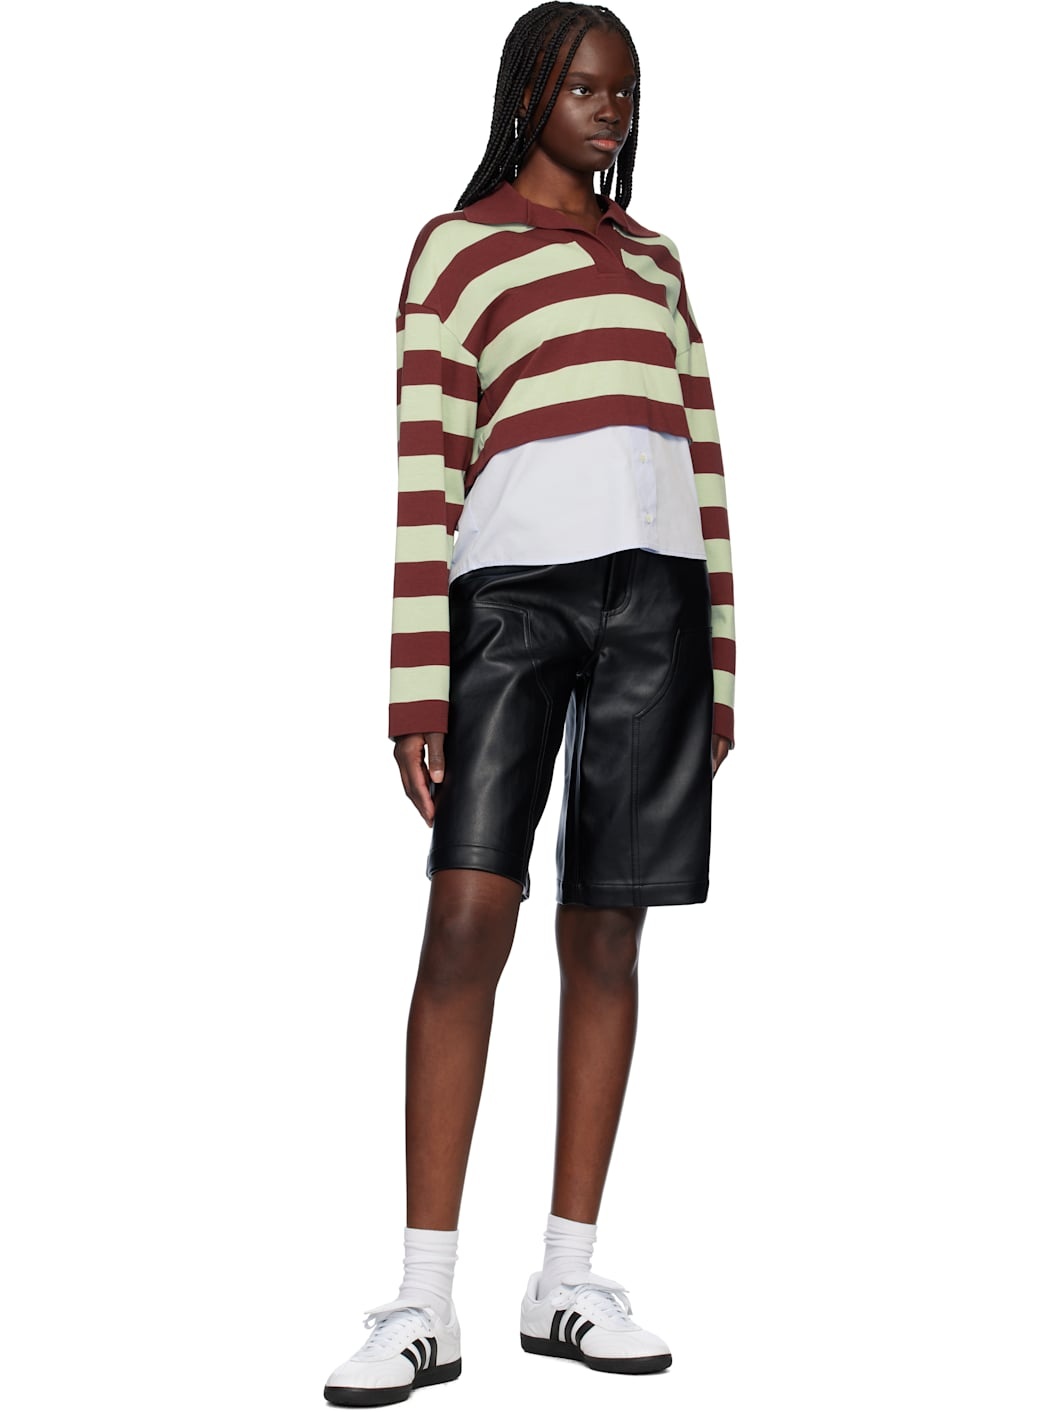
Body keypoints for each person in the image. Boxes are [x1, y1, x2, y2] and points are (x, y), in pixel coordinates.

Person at [324, 2, 737, 1403]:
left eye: (624, 92)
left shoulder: (657, 261)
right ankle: (422, 1298)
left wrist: (719, 658)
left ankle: (567, 1279)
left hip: (658, 609)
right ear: (527, 95)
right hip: (508, 607)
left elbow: (704, 461)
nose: (608, 111)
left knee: (608, 931)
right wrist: (414, 681)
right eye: (584, 87)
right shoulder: (459, 250)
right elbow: (425, 467)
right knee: (466, 917)